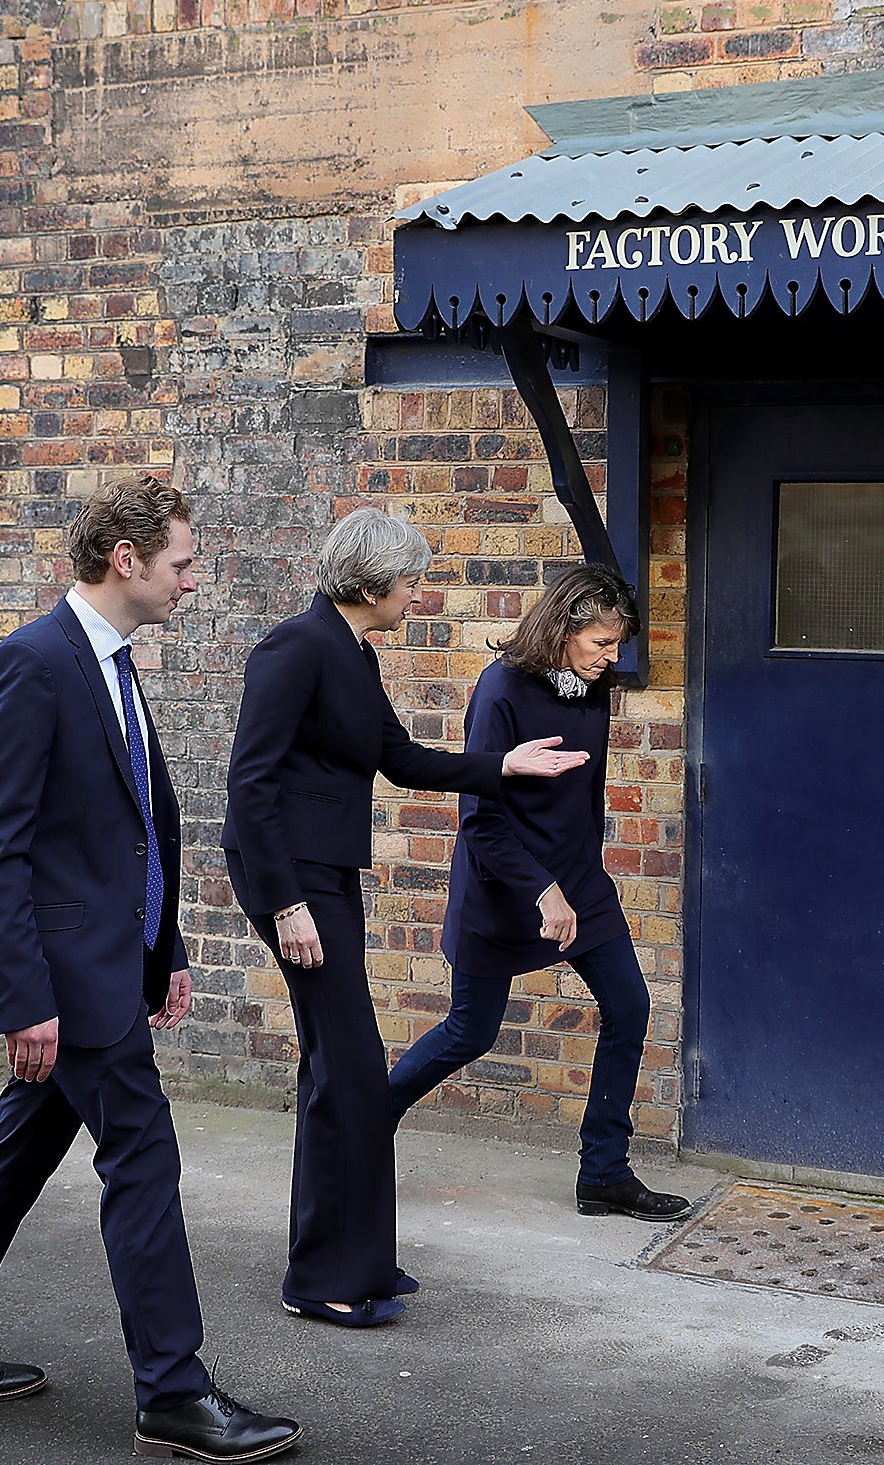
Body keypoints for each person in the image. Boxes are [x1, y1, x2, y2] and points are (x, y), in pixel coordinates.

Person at [0, 476, 301, 1464]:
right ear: (128, 560)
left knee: (25, 1140)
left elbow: (128, 832)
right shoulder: (34, 666)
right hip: (61, 980)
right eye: (182, 563)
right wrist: (24, 1000)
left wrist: (166, 953)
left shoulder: (108, 662)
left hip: (109, 965)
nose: (191, 581)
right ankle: (174, 1393)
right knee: (143, 1153)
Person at [222, 507, 588, 1329]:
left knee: (338, 1068)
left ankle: (363, 1262)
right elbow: (250, 784)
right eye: (412, 581)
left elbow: (401, 758)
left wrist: (504, 764)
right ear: (368, 582)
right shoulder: (296, 646)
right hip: (292, 880)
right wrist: (286, 904)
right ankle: (319, 1278)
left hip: (326, 874)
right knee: (348, 1068)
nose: (418, 595)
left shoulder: (352, 652)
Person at [389, 563, 691, 1230]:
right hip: (505, 889)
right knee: (470, 1032)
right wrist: (543, 892)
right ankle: (364, 1128)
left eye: (617, 646)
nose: (613, 659)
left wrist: (579, 882)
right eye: (602, 645)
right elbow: (481, 821)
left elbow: (581, 798)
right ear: (564, 628)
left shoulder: (592, 688)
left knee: (630, 1007)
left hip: (579, 884)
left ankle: (605, 1174)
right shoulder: (500, 691)